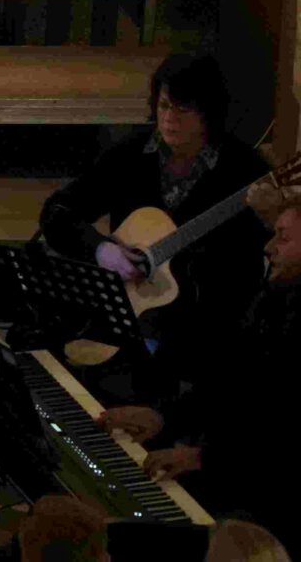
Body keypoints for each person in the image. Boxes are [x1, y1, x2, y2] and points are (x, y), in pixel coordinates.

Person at [40, 54, 269, 392]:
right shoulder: (130, 156)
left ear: (209, 112)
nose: (169, 119)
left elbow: (250, 267)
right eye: (163, 106)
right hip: (121, 330)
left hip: (202, 344)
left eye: (182, 109)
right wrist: (101, 250)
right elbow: (57, 213)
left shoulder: (244, 169)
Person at [98, 195, 301, 551]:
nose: (268, 248)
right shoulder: (273, 296)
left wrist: (202, 457)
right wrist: (162, 417)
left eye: (283, 237)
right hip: (231, 464)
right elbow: (227, 384)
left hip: (270, 500)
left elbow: (283, 432)